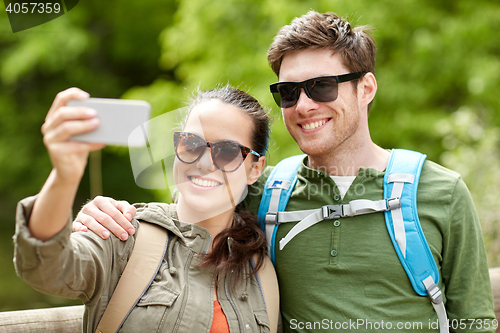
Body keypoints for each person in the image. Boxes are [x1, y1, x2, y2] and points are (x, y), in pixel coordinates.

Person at [74, 11, 496, 332]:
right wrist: (106, 213)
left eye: (322, 86)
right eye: (288, 92)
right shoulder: (262, 191)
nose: (304, 105)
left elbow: (475, 322)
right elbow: (183, 219)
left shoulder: (442, 192)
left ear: (366, 88)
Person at [13, 85, 280, 333]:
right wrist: (64, 177)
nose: (204, 162)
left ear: (255, 168)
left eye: (227, 151)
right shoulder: (123, 230)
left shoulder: (262, 272)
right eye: (192, 144)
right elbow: (45, 267)